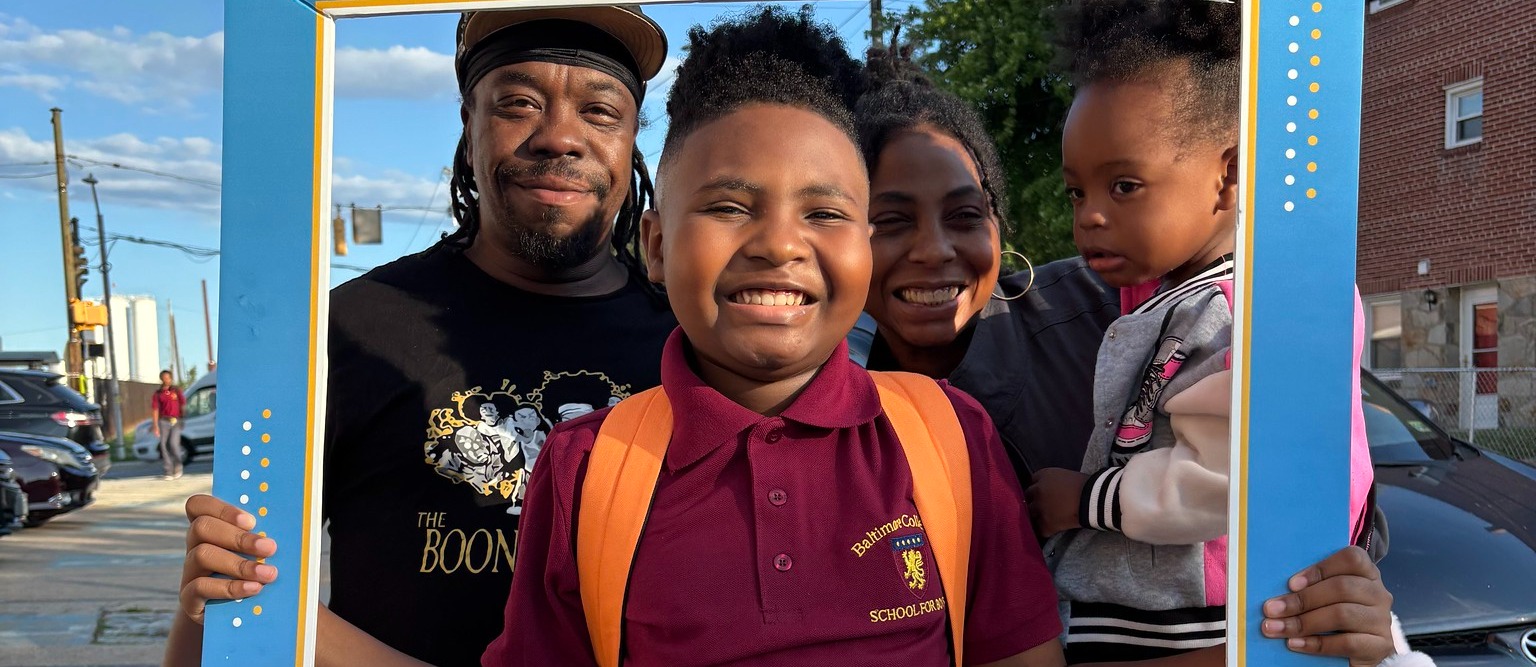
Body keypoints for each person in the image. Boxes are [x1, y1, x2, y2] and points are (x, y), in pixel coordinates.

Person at [482, 6, 1064, 665]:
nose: (781, 243)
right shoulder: (583, 466)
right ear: (659, 246)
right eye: (730, 207)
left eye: (824, 211)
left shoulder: (951, 433)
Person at [852, 23, 1427, 667]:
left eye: (964, 214)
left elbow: (1301, 495)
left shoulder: (1123, 305)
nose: (934, 250)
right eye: (889, 220)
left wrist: (1351, 615)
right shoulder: (811, 404)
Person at [165, 6, 677, 666]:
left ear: (633, 134)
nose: (559, 137)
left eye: (600, 111)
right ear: (470, 121)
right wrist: (215, 594)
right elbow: (230, 614)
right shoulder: (347, 329)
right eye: (518, 103)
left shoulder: (689, 347)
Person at [151, 369, 187, 480]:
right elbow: (155, 409)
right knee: (163, 444)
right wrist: (155, 425)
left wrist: (183, 419)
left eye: (168, 378)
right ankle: (168, 470)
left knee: (173, 444)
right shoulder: (158, 394)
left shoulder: (176, 391)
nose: (166, 380)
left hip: (176, 420)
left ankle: (178, 466)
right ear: (161, 379)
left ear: (171, 378)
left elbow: (183, 404)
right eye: (164, 378)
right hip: (164, 421)